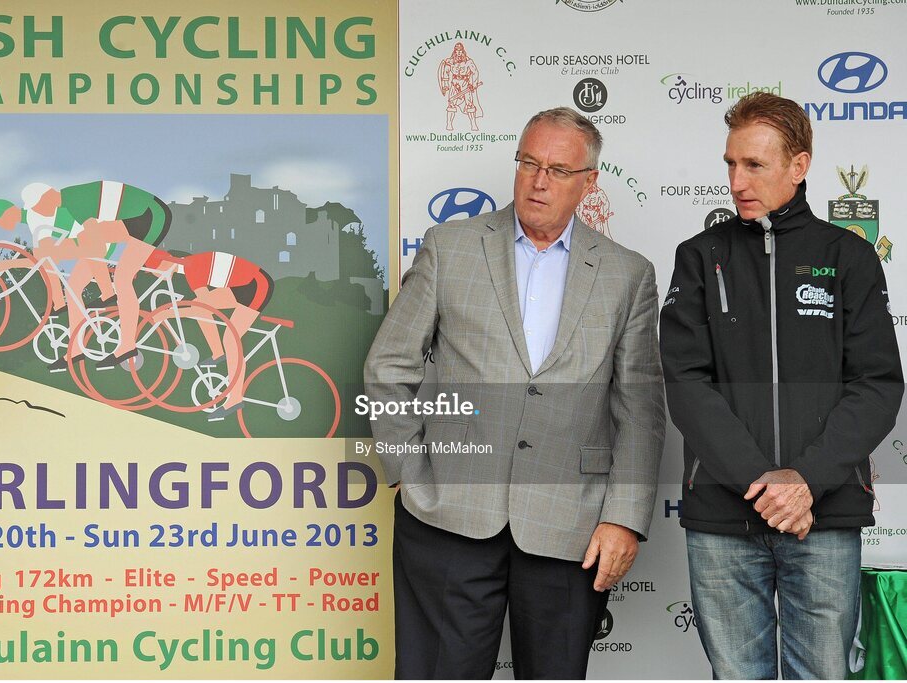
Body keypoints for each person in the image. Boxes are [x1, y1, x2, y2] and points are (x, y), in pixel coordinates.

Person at [364, 107, 664, 679]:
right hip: (447, 514)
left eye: (556, 168)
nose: (539, 180)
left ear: (588, 182)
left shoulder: (628, 274)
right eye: (528, 163)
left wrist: (624, 517)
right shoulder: (449, 247)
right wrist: (406, 468)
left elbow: (641, 409)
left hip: (571, 525)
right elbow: (389, 363)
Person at [660, 92, 903, 679]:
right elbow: (686, 382)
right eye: (730, 164)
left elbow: (877, 385)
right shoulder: (699, 256)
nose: (737, 181)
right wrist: (762, 483)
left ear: (799, 166)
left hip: (822, 514)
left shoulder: (849, 257)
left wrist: (805, 483)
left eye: (754, 165)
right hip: (724, 514)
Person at [19, 181, 172, 371]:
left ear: (48, 195)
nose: (39, 212)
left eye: (37, 206)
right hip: (133, 218)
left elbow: (96, 247)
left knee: (123, 279)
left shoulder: (76, 202)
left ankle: (127, 346)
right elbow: (90, 243)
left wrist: (59, 251)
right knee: (73, 287)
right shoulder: (70, 201)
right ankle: (74, 351)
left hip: (152, 216)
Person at [145, 248, 274, 417]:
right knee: (198, 306)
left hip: (257, 285)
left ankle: (235, 398)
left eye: (157, 269)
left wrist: (168, 313)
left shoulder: (191, 268)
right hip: (241, 285)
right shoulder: (188, 265)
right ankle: (218, 353)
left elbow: (203, 306)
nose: (157, 275)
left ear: (167, 262)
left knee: (230, 338)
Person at [0, 196, 116, 314]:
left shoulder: (34, 217)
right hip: (92, 241)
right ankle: (60, 304)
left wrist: (9, 264)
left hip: (95, 243)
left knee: (45, 256)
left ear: (10, 211)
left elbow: (41, 260)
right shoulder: (34, 217)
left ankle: (60, 303)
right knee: (50, 260)